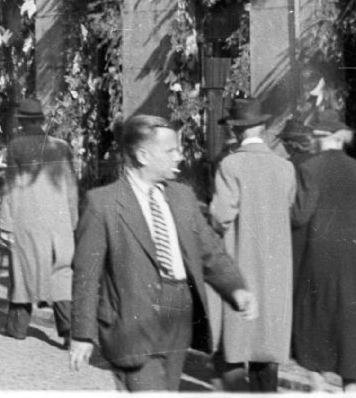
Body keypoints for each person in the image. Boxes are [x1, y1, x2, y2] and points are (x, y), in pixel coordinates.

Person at [70, 114, 258, 391]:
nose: (179, 156)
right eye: (171, 150)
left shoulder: (181, 196)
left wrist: (236, 287)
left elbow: (209, 251)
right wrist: (82, 334)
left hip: (179, 317)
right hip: (131, 321)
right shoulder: (103, 204)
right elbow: (86, 275)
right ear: (143, 155)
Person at [206, 96, 296, 392]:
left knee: (234, 340)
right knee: (267, 345)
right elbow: (288, 206)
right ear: (261, 126)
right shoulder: (285, 167)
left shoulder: (230, 165)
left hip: (240, 262)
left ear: (235, 130)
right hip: (275, 268)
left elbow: (221, 217)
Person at [290, 111, 356, 389]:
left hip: (320, 253)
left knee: (316, 313)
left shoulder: (309, 169)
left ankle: (317, 384)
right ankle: (350, 386)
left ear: (321, 139)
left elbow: (301, 215)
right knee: (350, 317)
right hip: (354, 253)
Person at [0, 95, 79, 343]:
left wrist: (5, 226)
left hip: (27, 223)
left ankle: (17, 328)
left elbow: (11, 188)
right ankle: (69, 332)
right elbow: (71, 188)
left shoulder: (16, 147)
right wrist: (73, 222)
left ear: (21, 122)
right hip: (59, 224)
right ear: (41, 120)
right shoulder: (62, 147)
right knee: (60, 275)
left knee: (23, 274)